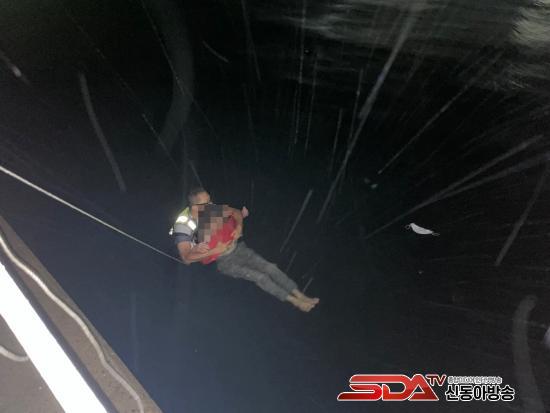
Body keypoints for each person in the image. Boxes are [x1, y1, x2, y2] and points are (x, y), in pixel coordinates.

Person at [170, 187, 320, 312]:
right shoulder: (183, 225)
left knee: (270, 268)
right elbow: (186, 258)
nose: (212, 204)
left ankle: (301, 296)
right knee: (260, 277)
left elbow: (235, 212)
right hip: (224, 261)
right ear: (195, 207)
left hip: (239, 248)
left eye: (210, 200)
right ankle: (296, 302)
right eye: (207, 203)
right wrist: (215, 251)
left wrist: (239, 227)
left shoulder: (210, 209)